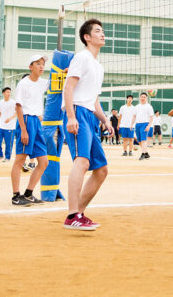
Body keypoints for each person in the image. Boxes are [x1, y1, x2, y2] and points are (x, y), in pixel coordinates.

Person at [62, 19, 113, 230]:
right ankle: (72, 215)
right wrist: (72, 117)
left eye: (103, 31)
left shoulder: (98, 66)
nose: (103, 34)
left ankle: (79, 213)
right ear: (87, 37)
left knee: (101, 170)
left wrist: (105, 120)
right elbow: (68, 89)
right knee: (81, 162)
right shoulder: (81, 57)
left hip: (90, 115)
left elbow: (94, 99)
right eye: (98, 31)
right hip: (77, 112)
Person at [11, 55, 50, 206]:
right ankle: (15, 196)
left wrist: (65, 71)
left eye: (43, 64)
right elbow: (18, 107)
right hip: (26, 121)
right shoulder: (23, 84)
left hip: (37, 122)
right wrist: (23, 130)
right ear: (30, 66)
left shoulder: (41, 82)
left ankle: (28, 193)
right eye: (38, 64)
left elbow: (58, 83)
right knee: (20, 160)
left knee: (44, 161)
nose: (41, 66)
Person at [0, 87, 17, 162]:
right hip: (1, 126)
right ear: (3, 93)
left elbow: (16, 113)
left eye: (9, 92)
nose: (9, 94)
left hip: (10, 127)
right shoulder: (0, 102)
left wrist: (10, 119)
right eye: (7, 92)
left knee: (8, 143)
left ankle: (7, 157)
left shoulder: (13, 102)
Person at [134, 92, 154, 160]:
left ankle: (142, 154)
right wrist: (131, 124)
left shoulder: (149, 106)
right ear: (140, 98)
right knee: (139, 140)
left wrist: (149, 126)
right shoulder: (137, 106)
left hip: (145, 124)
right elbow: (134, 116)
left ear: (146, 98)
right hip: (137, 124)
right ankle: (146, 153)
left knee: (143, 140)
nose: (143, 98)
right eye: (142, 97)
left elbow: (151, 117)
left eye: (144, 97)